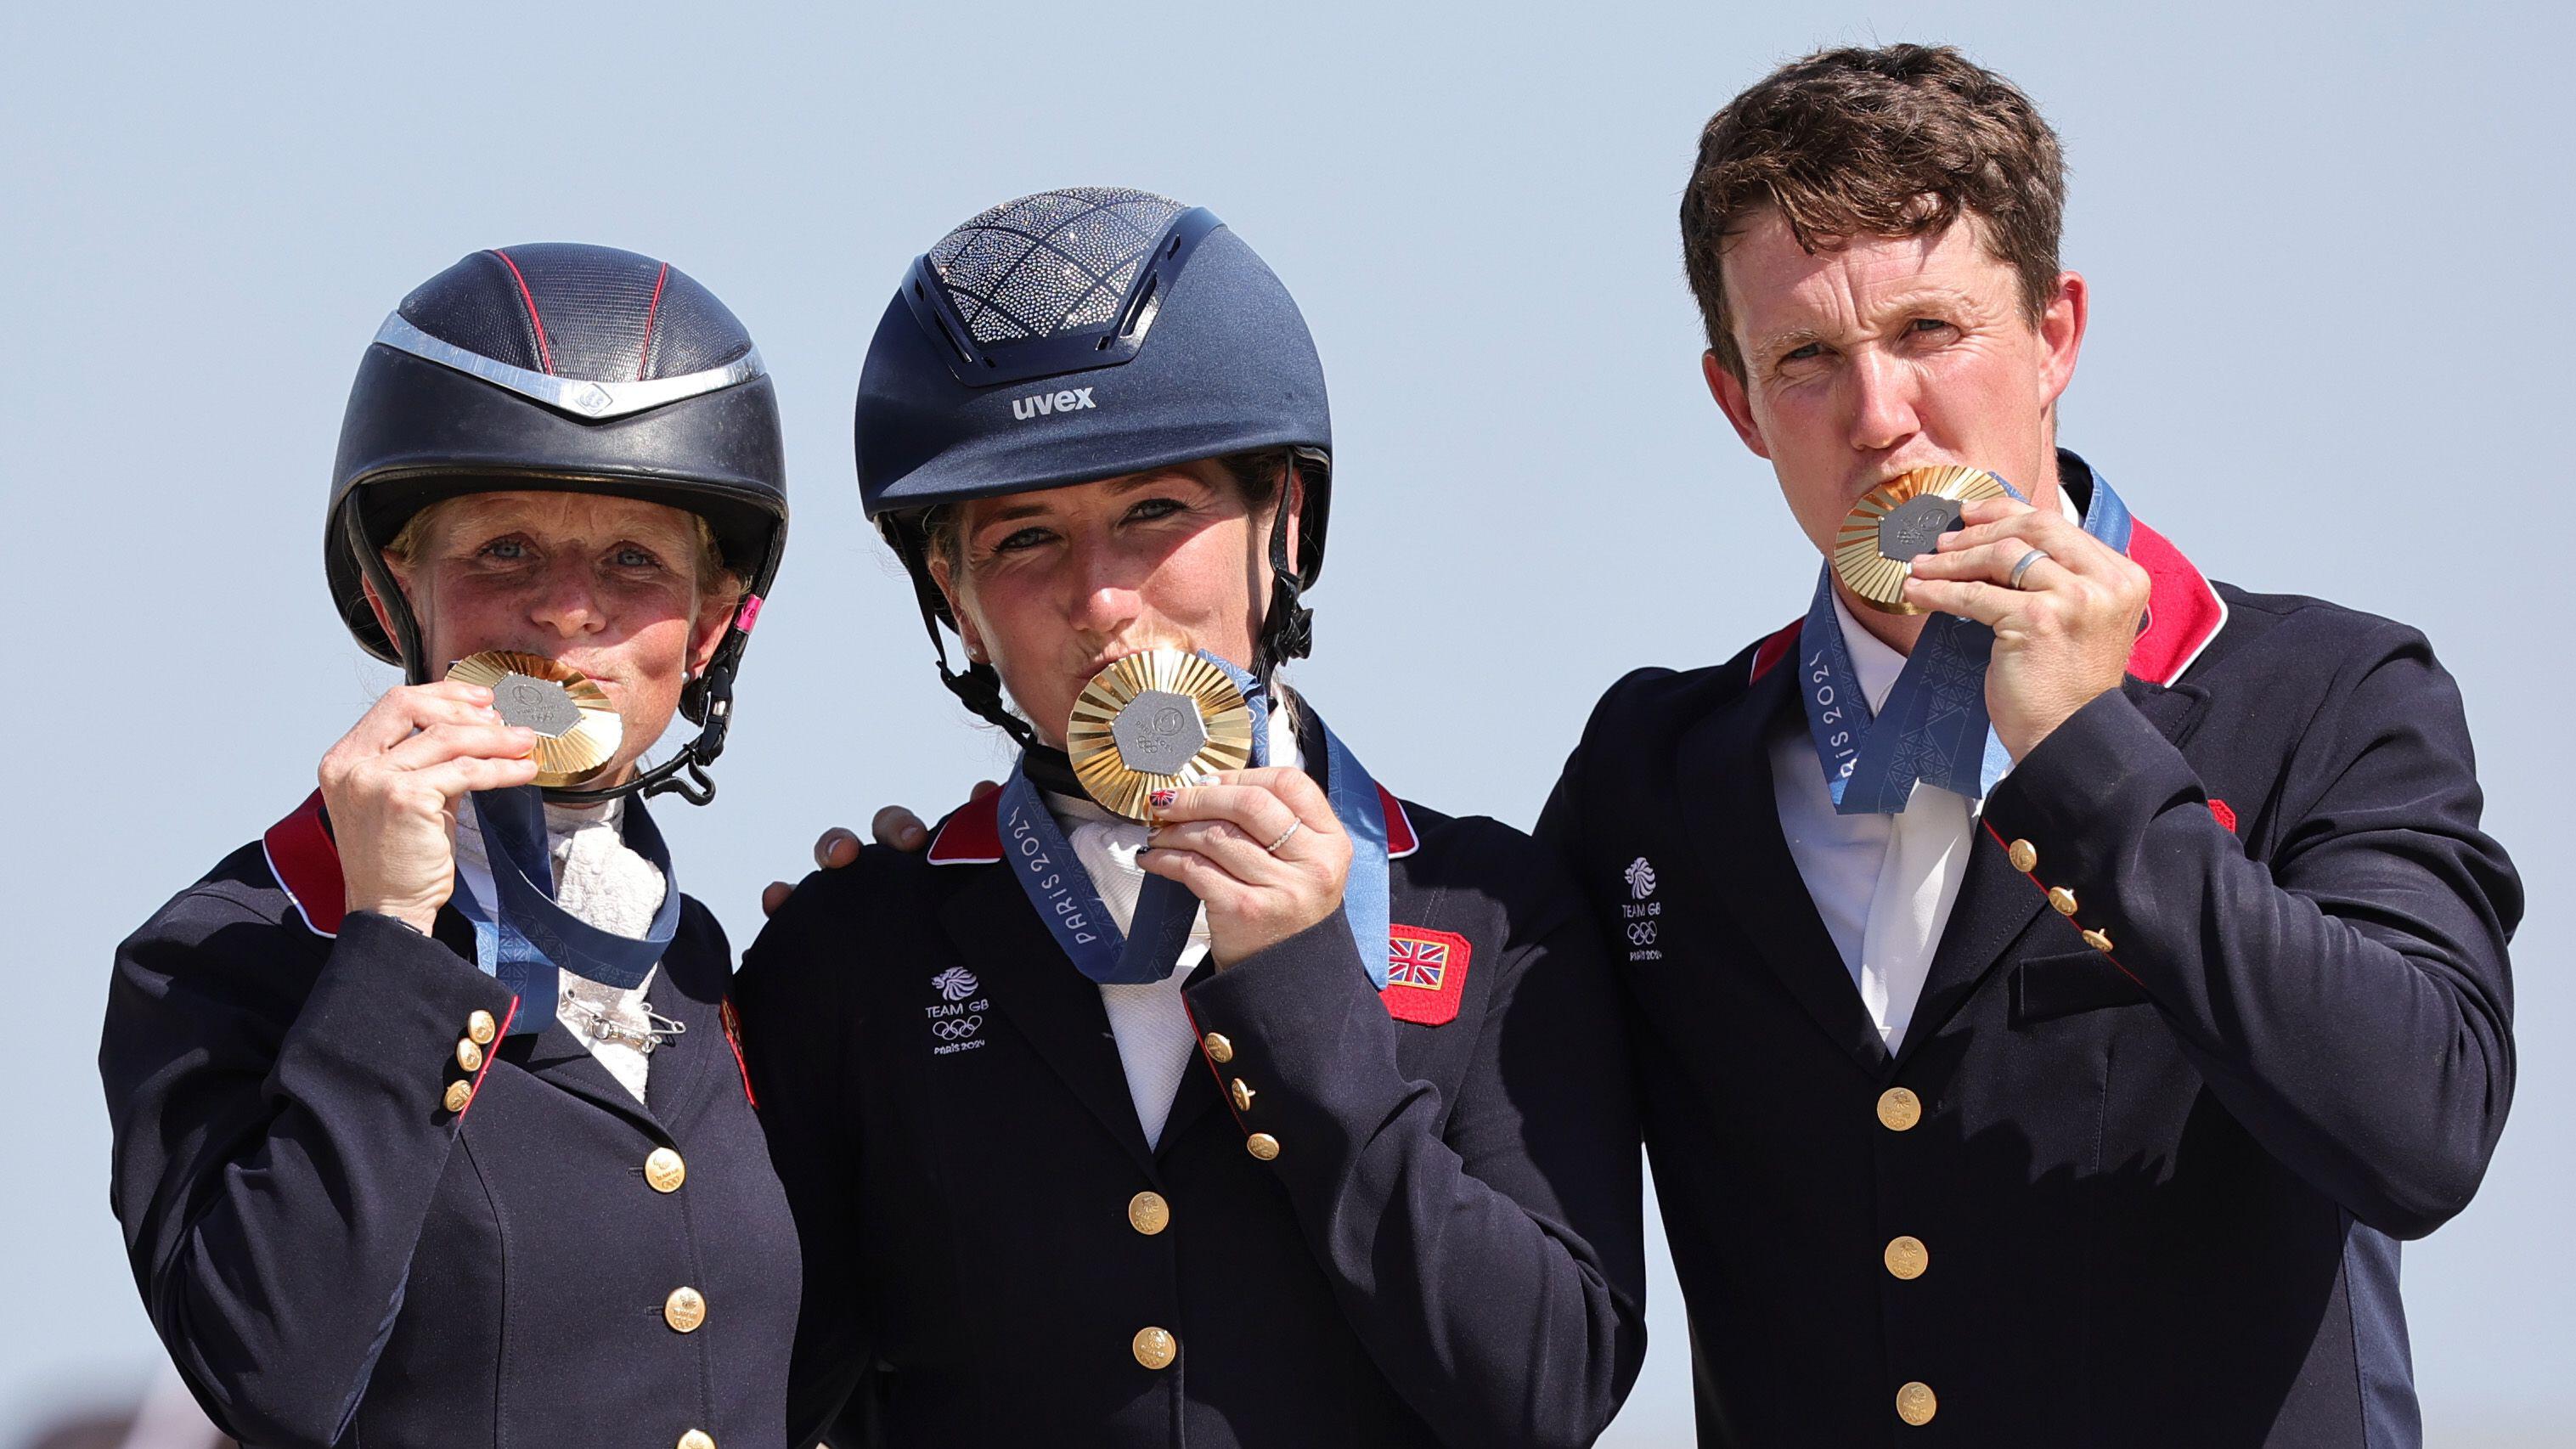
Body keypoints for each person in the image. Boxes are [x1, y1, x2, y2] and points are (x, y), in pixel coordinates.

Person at [1536, 46, 2521, 1446]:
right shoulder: (1652, 772)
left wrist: (2087, 754)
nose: (1877, 418)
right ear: (1736, 404)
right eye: (1806, 357)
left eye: (1930, 331)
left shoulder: (2324, 691)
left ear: (2055, 333)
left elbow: (2421, 1129)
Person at [736, 187, 1644, 1449]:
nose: (1100, 600)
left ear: (1285, 517)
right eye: (1023, 539)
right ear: (949, 593)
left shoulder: (1491, 904)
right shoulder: (852, 948)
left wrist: (1306, 1001)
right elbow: (737, 1392)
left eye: (1155, 512)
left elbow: (1548, 1387)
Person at [99, 245, 800, 1449]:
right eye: (504, 553)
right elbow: (272, 1375)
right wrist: (386, 939)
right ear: (392, 596)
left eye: (632, 562)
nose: (566, 612)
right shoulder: (224, 952)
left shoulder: (702, 958)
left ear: (709, 631)